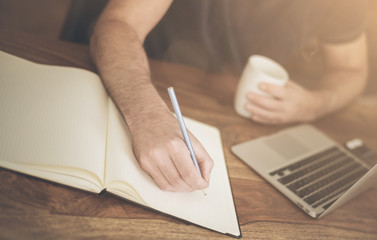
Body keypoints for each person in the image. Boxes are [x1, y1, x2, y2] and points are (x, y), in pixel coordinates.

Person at [89, 0, 368, 192]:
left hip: (247, 131)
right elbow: (118, 23)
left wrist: (314, 104)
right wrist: (147, 114)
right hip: (148, 93)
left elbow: (352, 69)